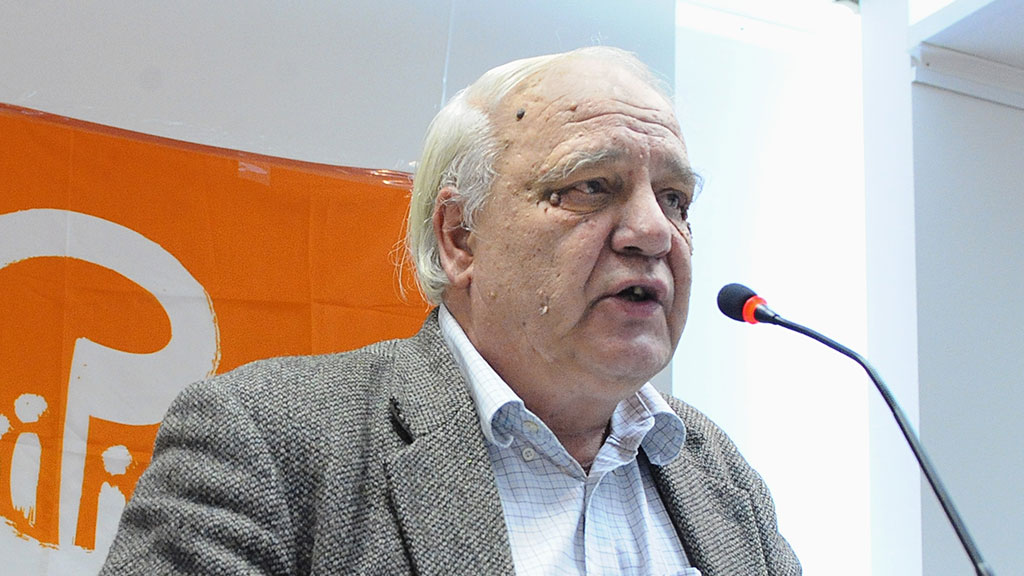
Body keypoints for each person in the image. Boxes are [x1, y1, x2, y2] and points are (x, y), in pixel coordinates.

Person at [101, 46, 800, 576]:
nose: (653, 232)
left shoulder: (719, 476)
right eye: (592, 185)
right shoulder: (270, 438)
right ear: (461, 236)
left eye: (676, 199)